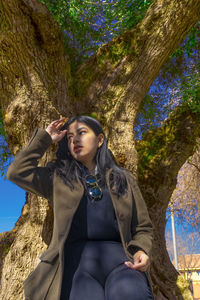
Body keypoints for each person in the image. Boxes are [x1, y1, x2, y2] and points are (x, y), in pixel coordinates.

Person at [7, 115, 155, 300]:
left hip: (122, 262)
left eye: (82, 133)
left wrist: (141, 249)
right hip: (76, 268)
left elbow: (142, 227)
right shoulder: (57, 178)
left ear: (100, 140)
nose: (75, 140)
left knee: (129, 294)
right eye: (69, 137)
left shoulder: (123, 178)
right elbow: (17, 172)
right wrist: (45, 138)